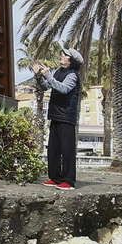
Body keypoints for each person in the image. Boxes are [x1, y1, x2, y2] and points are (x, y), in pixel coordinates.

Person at [34, 48, 83, 189]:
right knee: (53, 149)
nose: (62, 56)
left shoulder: (73, 75)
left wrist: (48, 75)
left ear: (70, 61)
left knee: (67, 149)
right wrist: (38, 76)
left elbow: (63, 89)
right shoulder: (57, 72)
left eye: (65, 55)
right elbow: (45, 87)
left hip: (67, 116)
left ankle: (68, 181)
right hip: (55, 114)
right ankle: (55, 178)